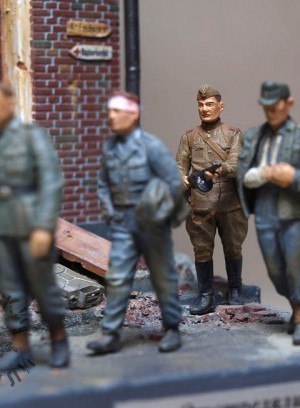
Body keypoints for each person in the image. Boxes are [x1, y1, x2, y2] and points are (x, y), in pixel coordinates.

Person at [0, 82, 69, 370]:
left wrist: (43, 226)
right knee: (10, 288)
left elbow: (51, 182)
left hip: (31, 221)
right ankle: (20, 350)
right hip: (2, 223)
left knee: (43, 285)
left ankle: (59, 341)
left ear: (10, 103)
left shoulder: (32, 136)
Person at [87, 91, 183, 354]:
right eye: (110, 111)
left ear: (133, 114)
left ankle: (172, 328)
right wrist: (109, 210)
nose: (111, 116)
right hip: (122, 223)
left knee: (163, 276)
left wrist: (161, 214)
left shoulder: (151, 146)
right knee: (117, 278)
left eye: (117, 111)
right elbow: (103, 183)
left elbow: (173, 183)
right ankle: (110, 334)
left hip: (152, 224)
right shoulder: (110, 147)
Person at [237, 81, 300, 345]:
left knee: (297, 267)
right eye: (265, 107)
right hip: (264, 209)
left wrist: (294, 177)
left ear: (288, 104)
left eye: (275, 106)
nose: (270, 112)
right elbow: (241, 168)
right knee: (276, 271)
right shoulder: (255, 136)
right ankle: (299, 303)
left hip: (295, 212)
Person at [176, 85, 248, 315]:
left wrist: (220, 169)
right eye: (201, 105)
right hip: (200, 205)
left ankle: (235, 289)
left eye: (209, 104)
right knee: (202, 250)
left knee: (233, 247)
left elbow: (237, 163)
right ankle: (205, 294)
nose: (205, 109)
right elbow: (179, 165)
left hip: (229, 204)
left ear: (220, 106)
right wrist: (180, 179)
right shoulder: (189, 136)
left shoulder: (233, 134)